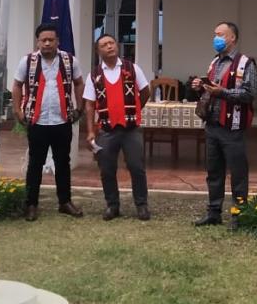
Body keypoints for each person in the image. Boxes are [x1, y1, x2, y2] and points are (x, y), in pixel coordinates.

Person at [12, 23, 85, 221]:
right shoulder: (27, 61)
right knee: (35, 163)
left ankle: (64, 202)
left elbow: (79, 83)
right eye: (43, 40)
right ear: (37, 42)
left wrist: (79, 107)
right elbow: (17, 85)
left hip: (62, 120)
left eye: (50, 40)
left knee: (63, 162)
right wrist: (17, 110)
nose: (46, 43)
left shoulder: (70, 61)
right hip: (38, 120)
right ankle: (31, 204)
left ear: (57, 41)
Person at [192, 21, 257, 229]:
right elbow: (210, 92)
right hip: (212, 125)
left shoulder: (245, 63)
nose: (216, 38)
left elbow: (250, 93)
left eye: (220, 34)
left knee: (238, 173)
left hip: (232, 127)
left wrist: (222, 92)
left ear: (232, 38)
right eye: (215, 34)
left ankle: (239, 215)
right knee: (214, 171)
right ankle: (213, 212)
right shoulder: (215, 62)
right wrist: (199, 87)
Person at [83, 34, 152, 221]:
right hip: (106, 130)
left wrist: (135, 109)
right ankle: (112, 205)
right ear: (99, 51)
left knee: (137, 167)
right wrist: (90, 131)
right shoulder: (94, 75)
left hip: (131, 129)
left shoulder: (132, 68)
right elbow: (89, 104)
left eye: (112, 43)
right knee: (106, 169)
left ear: (117, 46)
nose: (109, 47)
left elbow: (145, 92)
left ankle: (142, 205)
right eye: (104, 45)